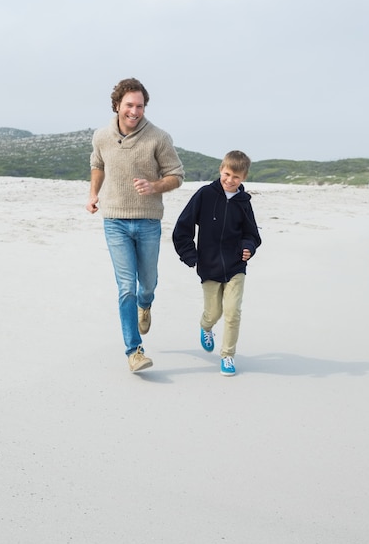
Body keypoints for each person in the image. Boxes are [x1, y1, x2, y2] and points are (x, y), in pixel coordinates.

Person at [86, 78, 184, 373]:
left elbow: (177, 175)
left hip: (148, 221)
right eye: (129, 105)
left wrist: (154, 186)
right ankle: (135, 350)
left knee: (148, 284)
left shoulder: (159, 137)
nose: (134, 111)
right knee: (126, 286)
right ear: (117, 105)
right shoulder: (101, 136)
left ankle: (146, 303)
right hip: (114, 220)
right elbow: (97, 164)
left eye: (140, 106)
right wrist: (93, 194)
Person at [172, 150, 261, 376]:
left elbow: (252, 234)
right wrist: (191, 257)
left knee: (232, 312)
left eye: (236, 177)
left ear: (244, 178)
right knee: (214, 312)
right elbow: (182, 228)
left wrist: (248, 247)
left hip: (235, 267)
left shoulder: (243, 202)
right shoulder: (205, 195)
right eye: (227, 174)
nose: (230, 180)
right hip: (209, 266)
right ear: (221, 169)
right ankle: (206, 326)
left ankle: (228, 356)